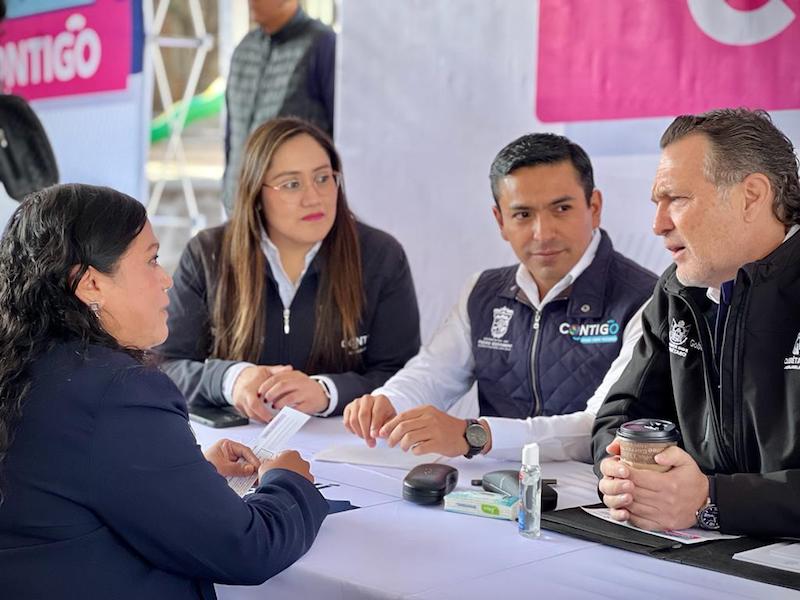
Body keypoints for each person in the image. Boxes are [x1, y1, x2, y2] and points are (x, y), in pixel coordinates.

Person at [0, 184, 328, 599]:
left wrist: (184, 471)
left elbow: (72, 487)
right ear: (90, 285)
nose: (167, 278)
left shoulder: (22, 366)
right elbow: (247, 548)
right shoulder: (117, 393)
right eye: (152, 260)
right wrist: (289, 482)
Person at [343, 133, 657, 461]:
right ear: (500, 221)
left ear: (594, 208)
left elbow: (600, 426)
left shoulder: (645, 300)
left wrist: (475, 435)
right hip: (489, 493)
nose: (543, 232)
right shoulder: (483, 292)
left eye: (561, 208)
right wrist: (388, 401)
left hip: (593, 500)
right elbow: (433, 372)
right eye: (523, 215)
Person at [592, 108, 800, 537]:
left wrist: (711, 500)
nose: (657, 224)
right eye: (657, 203)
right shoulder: (677, 292)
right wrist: (623, 470)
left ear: (751, 196)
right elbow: (621, 416)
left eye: (678, 199)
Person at [160, 117, 420, 423]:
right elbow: (165, 365)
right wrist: (231, 379)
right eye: (292, 184)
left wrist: (326, 391)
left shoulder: (380, 257)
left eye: (323, 178)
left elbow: (405, 376)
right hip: (233, 448)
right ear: (257, 193)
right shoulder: (208, 254)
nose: (314, 197)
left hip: (342, 451)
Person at [222, 0, 335, 214]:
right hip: (240, 208)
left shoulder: (323, 46)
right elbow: (231, 133)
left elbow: (340, 135)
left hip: (298, 210)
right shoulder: (245, 48)